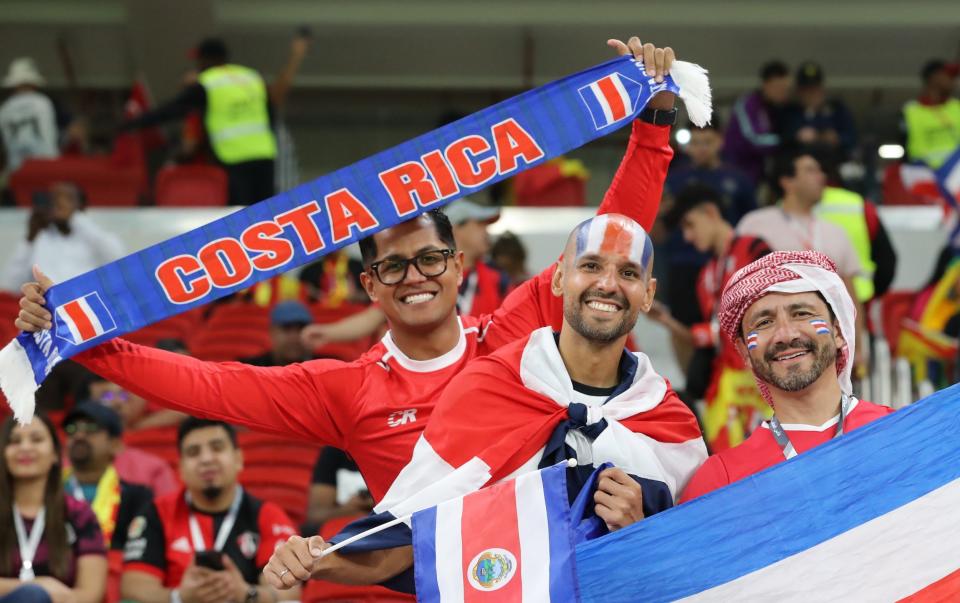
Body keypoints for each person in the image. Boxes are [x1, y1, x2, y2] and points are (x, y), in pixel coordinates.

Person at [14, 36, 680, 510]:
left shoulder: (513, 338)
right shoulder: (345, 389)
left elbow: (610, 247)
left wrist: (650, 129)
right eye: (391, 265)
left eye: (428, 258)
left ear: (457, 268)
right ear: (369, 287)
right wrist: (72, 333)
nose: (413, 276)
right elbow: (210, 384)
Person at [262, 213, 707, 591]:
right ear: (558, 278)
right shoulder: (490, 387)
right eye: (590, 266)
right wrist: (315, 558)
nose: (608, 284)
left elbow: (703, 562)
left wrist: (642, 529)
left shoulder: (669, 421)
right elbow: (405, 537)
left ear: (648, 294)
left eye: (628, 273)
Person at [680, 251, 893, 501]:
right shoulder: (719, 481)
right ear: (743, 352)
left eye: (801, 313)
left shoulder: (902, 431)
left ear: (838, 332)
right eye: (764, 323)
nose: (786, 334)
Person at [120, 418, 298, 603]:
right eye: (193, 452)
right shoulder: (157, 512)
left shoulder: (267, 514)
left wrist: (246, 593)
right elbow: (133, 588)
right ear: (180, 468)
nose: (206, 459)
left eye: (217, 447)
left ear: (238, 459)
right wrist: (180, 597)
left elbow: (289, 592)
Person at [654, 184, 772, 451]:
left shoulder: (753, 249)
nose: (687, 236)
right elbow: (712, 336)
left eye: (690, 225)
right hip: (726, 389)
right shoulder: (705, 276)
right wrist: (666, 321)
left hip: (763, 384)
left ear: (710, 212)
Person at [736, 148, 867, 371]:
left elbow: (849, 296)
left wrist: (859, 347)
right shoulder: (756, 225)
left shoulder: (836, 232)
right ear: (787, 181)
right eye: (810, 170)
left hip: (828, 346)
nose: (821, 176)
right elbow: (740, 293)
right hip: (779, 345)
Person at [118, 38, 277, 206]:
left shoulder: (208, 82)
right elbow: (271, 114)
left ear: (208, 60)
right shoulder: (251, 77)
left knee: (238, 216)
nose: (197, 65)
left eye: (199, 61)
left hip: (233, 158)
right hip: (264, 154)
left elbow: (173, 109)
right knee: (265, 212)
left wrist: (132, 124)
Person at [662, 122, 758, 368]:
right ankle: (693, 386)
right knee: (683, 325)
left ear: (719, 141)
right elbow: (662, 225)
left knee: (735, 323)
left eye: (707, 142)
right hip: (683, 266)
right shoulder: (674, 178)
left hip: (728, 264)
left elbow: (750, 219)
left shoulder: (737, 179)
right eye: (695, 143)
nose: (701, 149)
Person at [0, 414, 107, 603]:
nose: (25, 447)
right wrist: (35, 588)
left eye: (36, 439)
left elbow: (91, 594)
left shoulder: (79, 513)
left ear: (56, 454)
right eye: (14, 441)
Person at [62, 403, 154, 603]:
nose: (78, 436)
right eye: (72, 430)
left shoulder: (137, 497)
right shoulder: (49, 494)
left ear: (116, 445)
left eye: (91, 429)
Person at [1, 181, 124, 293]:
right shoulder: (40, 237)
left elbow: (119, 260)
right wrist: (30, 237)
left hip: (84, 304)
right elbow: (9, 285)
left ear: (81, 205)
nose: (59, 203)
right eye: (54, 199)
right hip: (46, 309)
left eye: (68, 198)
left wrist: (76, 217)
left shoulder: (92, 235)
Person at [81, 376, 179, 496]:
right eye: (107, 396)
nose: (116, 403)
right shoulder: (78, 453)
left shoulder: (155, 467)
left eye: (124, 396)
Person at [723, 60, 790, 183]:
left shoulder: (775, 109)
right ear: (767, 84)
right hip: (738, 170)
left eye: (785, 89)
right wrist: (786, 140)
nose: (783, 93)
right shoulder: (748, 105)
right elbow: (753, 139)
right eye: (779, 88)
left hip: (757, 173)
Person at [781, 61, 858, 166]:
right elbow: (781, 139)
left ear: (822, 88)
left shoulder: (837, 110)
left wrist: (836, 138)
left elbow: (852, 138)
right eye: (806, 90)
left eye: (814, 88)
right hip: (800, 170)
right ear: (799, 91)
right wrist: (797, 137)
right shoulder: (790, 113)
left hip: (834, 166)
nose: (811, 94)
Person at [0, 58, 65, 175]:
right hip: (47, 166)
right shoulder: (44, 102)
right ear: (34, 82)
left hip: (17, 169)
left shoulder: (5, 109)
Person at [903, 59, 960, 168]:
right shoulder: (910, 112)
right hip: (923, 176)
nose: (953, 81)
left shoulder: (957, 107)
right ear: (935, 78)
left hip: (956, 177)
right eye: (949, 76)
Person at [241, 301, 314, 366]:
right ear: (272, 332)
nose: (294, 337)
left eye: (301, 329)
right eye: (286, 329)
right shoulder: (252, 368)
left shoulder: (322, 369)